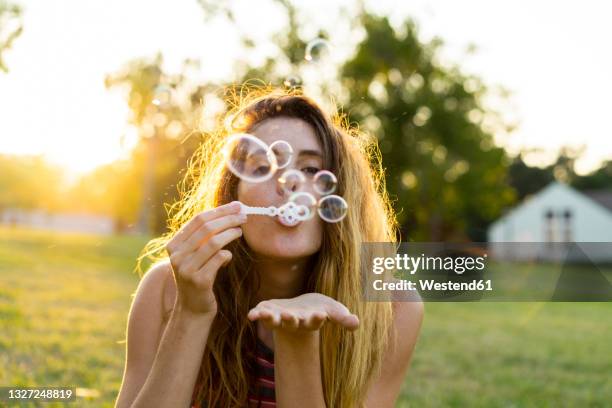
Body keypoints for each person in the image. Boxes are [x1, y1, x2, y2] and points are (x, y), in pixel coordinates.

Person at [114, 88, 424, 408]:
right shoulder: (168, 287)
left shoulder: (392, 307)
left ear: (343, 195)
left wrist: (297, 340)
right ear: (234, 197)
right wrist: (191, 312)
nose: (286, 182)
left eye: (310, 169)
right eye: (262, 167)